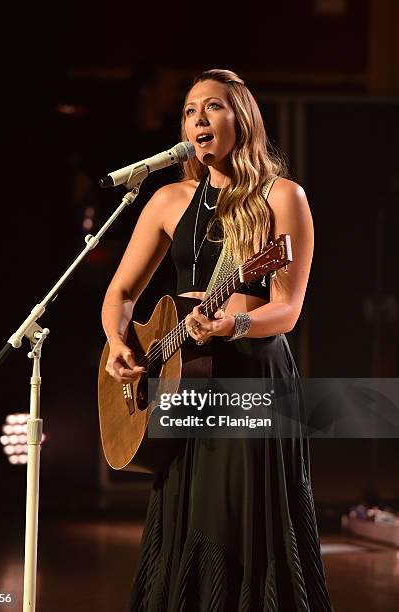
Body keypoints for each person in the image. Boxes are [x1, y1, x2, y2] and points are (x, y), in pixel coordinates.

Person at [101, 69, 333, 611]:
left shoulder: (282, 197)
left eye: (213, 107)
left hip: (252, 378)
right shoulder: (167, 198)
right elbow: (121, 292)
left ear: (242, 119)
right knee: (186, 513)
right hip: (183, 383)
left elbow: (287, 309)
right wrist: (117, 341)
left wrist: (236, 324)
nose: (198, 118)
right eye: (189, 110)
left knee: (243, 519)